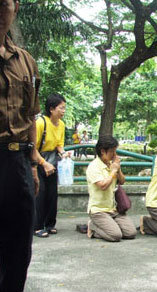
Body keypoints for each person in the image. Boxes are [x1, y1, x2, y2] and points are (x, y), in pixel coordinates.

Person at [0, 0, 40, 290]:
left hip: (17, 162)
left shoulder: (25, 60)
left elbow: (31, 115)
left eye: (8, 2)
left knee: (19, 244)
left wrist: (34, 164)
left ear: (15, 8)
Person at [86, 136, 137, 242]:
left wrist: (117, 169)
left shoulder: (112, 164)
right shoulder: (93, 167)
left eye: (115, 151)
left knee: (131, 233)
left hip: (114, 209)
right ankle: (93, 227)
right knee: (115, 236)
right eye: (112, 152)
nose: (114, 155)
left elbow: (122, 181)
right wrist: (113, 172)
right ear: (102, 151)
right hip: (98, 210)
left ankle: (110, 225)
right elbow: (103, 186)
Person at [34, 93, 69, 238]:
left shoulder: (61, 125)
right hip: (39, 161)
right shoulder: (40, 123)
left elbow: (59, 145)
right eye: (61, 108)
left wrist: (63, 153)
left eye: (64, 108)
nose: (63, 111)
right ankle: (37, 227)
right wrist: (43, 163)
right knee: (40, 195)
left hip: (53, 162)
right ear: (51, 109)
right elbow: (32, 148)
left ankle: (50, 224)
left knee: (52, 194)